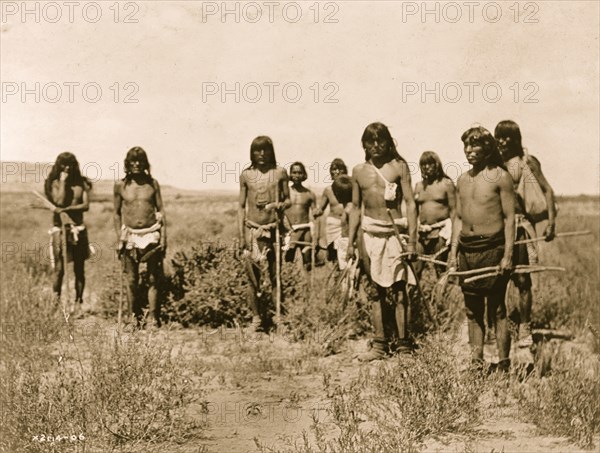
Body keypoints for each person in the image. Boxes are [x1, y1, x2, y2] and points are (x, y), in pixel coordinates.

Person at [346, 122, 418, 361]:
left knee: (399, 291)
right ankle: (379, 344)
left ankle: (404, 345)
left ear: (389, 142)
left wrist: (412, 241)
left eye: (380, 141)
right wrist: (351, 243)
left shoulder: (399, 166)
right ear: (364, 144)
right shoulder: (358, 171)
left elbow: (410, 203)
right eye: (370, 141)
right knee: (375, 292)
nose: (376, 146)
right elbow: (356, 208)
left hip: (394, 234)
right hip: (368, 234)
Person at [447, 126, 515, 372]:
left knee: (496, 309)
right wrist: (453, 252)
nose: (469, 151)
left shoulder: (501, 177)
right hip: (468, 250)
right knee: (472, 310)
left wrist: (507, 255)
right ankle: (477, 364)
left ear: (487, 148)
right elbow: (457, 218)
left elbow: (510, 218)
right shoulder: (463, 180)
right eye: (466, 146)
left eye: (474, 145)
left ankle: (504, 364)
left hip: (493, 249)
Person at [495, 120, 557, 348]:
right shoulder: (493, 163)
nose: (502, 141)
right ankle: (502, 326)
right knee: (498, 279)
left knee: (522, 278)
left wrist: (551, 222)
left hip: (520, 227)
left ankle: (525, 326)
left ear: (516, 139)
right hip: (497, 229)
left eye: (507, 137)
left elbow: (547, 190)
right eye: (498, 137)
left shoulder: (525, 162)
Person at [238, 136, 290, 331]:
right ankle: (256, 319)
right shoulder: (246, 175)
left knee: (276, 275)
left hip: (274, 230)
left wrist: (279, 205)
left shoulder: (280, 173)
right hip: (252, 231)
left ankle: (279, 319)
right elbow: (240, 206)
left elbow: (288, 200)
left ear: (271, 152)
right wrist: (242, 234)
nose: (261, 154)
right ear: (252, 153)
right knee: (253, 278)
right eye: (257, 151)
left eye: (265, 150)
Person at [114, 147, 167, 328]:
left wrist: (164, 238)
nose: (136, 164)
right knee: (131, 279)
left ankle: (153, 318)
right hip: (129, 236)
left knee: (153, 278)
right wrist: (119, 238)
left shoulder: (153, 184)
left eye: (140, 161)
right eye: (133, 161)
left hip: (152, 233)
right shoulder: (120, 186)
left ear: (145, 164)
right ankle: (133, 318)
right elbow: (116, 214)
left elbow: (161, 211)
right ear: (127, 164)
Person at [45, 152, 92, 315]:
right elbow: (58, 202)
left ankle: (78, 304)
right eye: (64, 165)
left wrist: (69, 209)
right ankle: (55, 305)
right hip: (60, 229)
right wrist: (64, 182)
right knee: (59, 269)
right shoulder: (54, 183)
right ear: (59, 166)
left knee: (79, 268)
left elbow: (86, 205)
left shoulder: (82, 183)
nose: (67, 168)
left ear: (74, 166)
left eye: (70, 165)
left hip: (78, 229)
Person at [414, 151, 456, 277]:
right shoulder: (419, 186)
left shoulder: (446, 184)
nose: (427, 167)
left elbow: (454, 210)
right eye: (423, 164)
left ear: (437, 165)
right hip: (422, 233)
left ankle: (441, 295)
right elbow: (413, 211)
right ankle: (418, 296)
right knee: (416, 269)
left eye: (430, 164)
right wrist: (416, 227)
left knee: (441, 269)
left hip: (440, 232)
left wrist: (453, 234)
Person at [313, 158, 349, 264]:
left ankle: (347, 276)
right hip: (333, 224)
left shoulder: (350, 187)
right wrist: (316, 211)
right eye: (334, 169)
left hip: (347, 223)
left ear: (344, 171)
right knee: (333, 251)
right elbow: (321, 208)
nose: (337, 172)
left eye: (340, 169)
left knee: (346, 250)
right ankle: (336, 274)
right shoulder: (328, 190)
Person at [284, 162, 317, 269]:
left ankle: (307, 285)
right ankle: (290, 283)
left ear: (304, 175)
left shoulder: (309, 194)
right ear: (290, 174)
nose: (296, 175)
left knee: (308, 262)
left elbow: (315, 214)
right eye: (294, 172)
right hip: (290, 231)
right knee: (288, 260)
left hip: (305, 230)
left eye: (299, 173)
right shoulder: (284, 193)